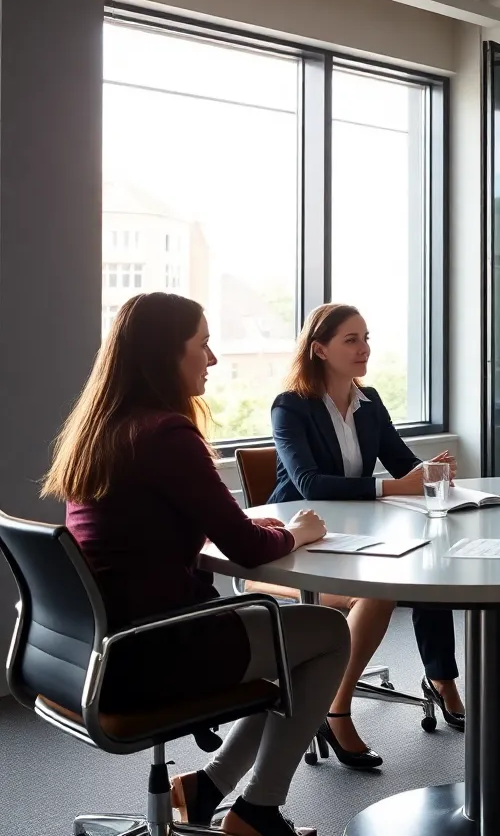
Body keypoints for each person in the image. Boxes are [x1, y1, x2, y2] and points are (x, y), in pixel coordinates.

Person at [43, 292, 345, 836]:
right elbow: (246, 550)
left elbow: (215, 526)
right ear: (166, 354)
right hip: (153, 650)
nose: (212, 358)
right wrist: (296, 532)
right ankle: (256, 811)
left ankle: (207, 787)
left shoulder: (103, 430)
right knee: (326, 632)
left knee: (287, 638)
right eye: (202, 344)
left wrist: (275, 530)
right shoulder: (165, 435)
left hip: (94, 651)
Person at [268, 303, 465, 769]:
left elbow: (403, 466)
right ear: (319, 349)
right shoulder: (290, 406)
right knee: (385, 588)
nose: (364, 348)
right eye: (351, 340)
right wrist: (399, 485)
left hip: (353, 538)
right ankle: (335, 709)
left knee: (427, 562)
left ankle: (440, 678)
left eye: (366, 337)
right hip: (297, 544)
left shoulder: (370, 401)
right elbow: (309, 484)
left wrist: (433, 472)